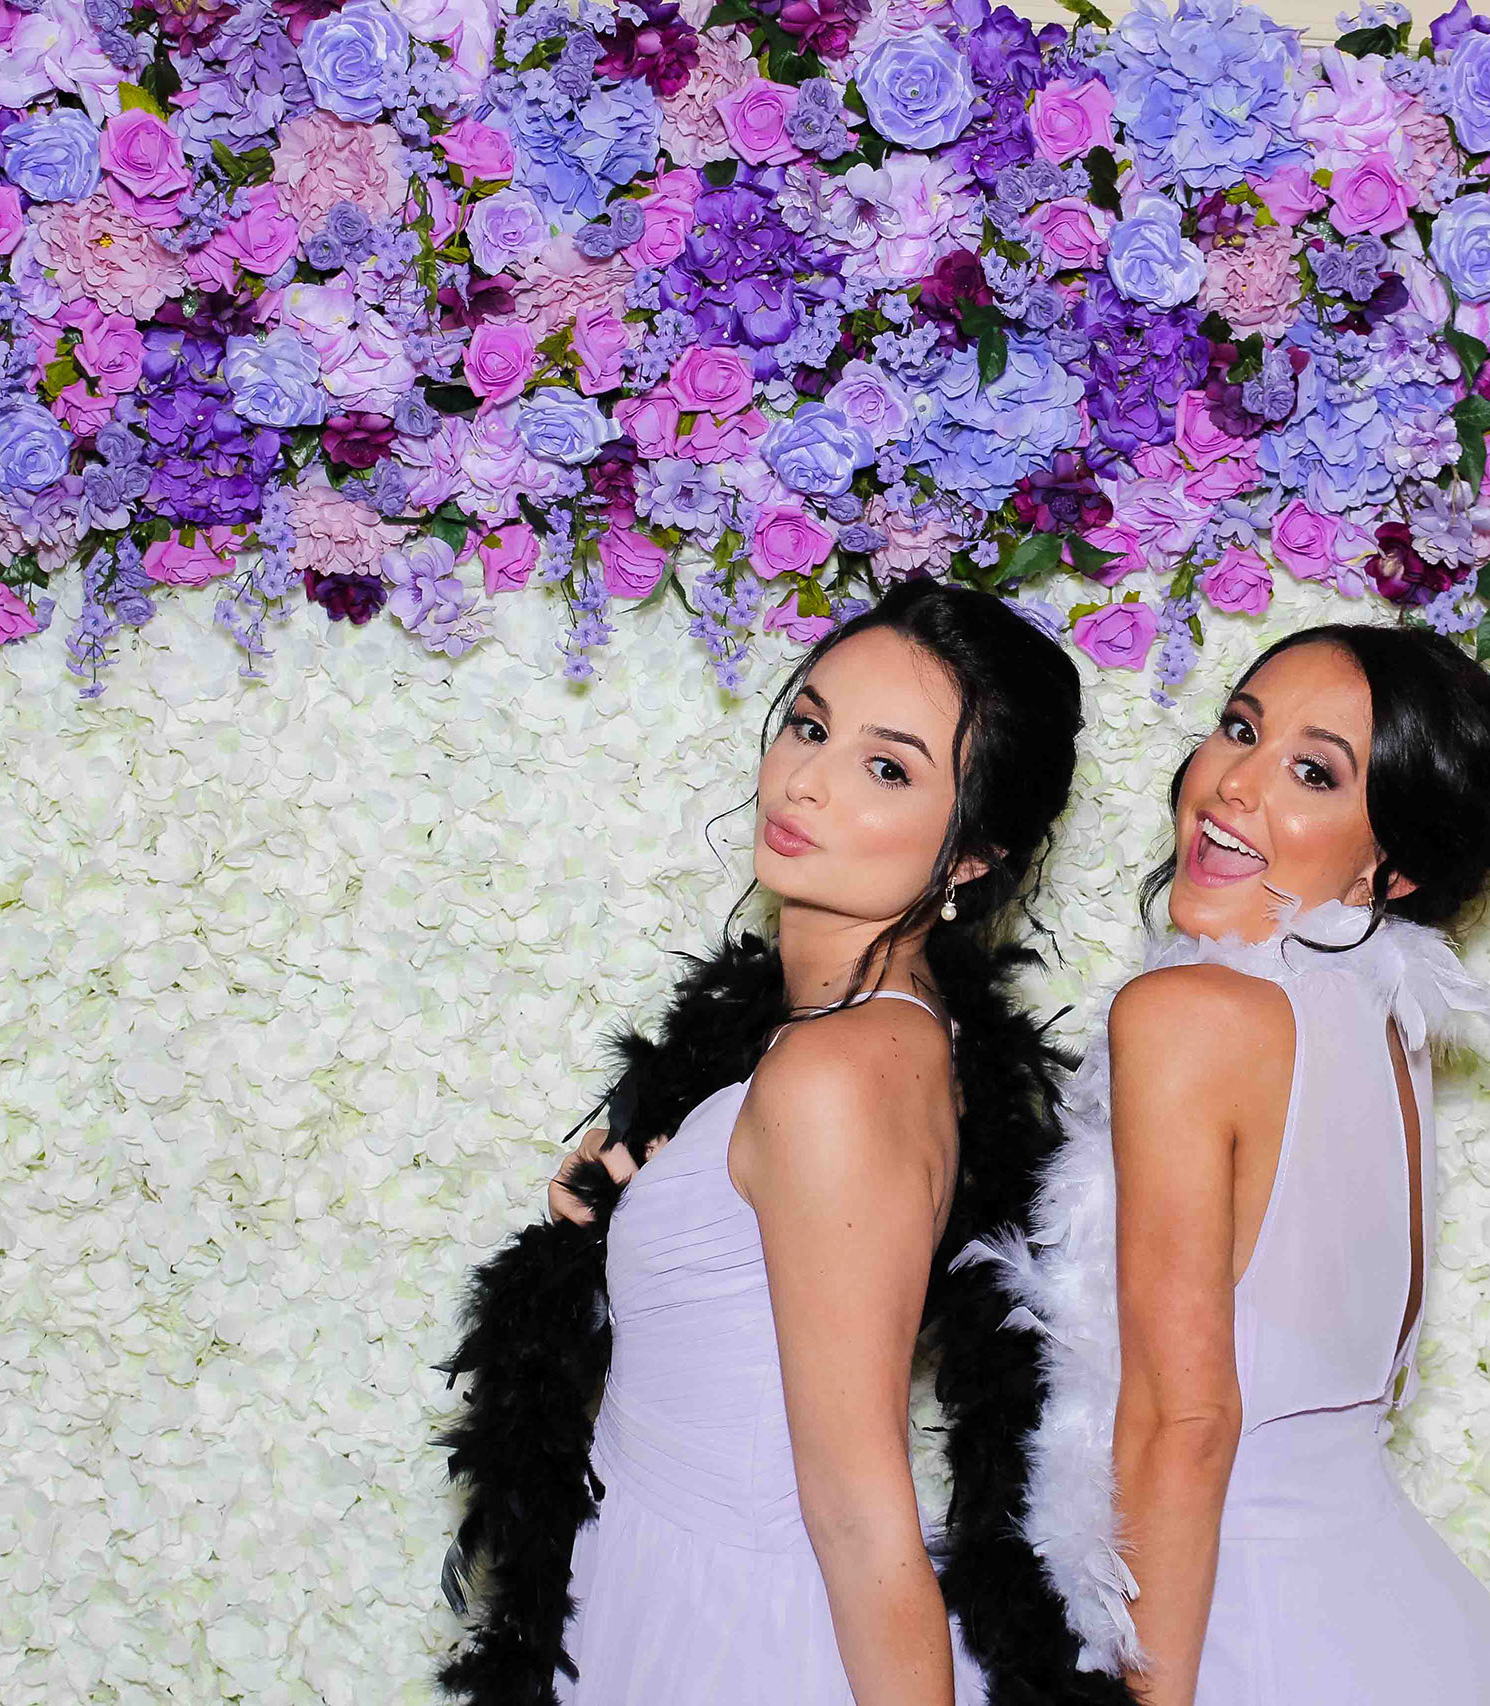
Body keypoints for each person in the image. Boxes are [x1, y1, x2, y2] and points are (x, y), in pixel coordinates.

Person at [438, 580, 1128, 1706]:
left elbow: (860, 1515)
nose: (807, 779)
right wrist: (640, 1214)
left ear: (972, 854)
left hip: (738, 1631)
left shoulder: (836, 1071)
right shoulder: (855, 1034)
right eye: (810, 725)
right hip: (661, 1576)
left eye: (888, 767)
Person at [977, 624, 1490, 1705]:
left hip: (1243, 1638)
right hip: (1417, 1633)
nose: (1233, 783)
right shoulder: (1384, 1023)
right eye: (1240, 728)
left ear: (1391, 862)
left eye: (1313, 772)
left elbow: (1185, 1422)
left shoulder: (1190, 1015)